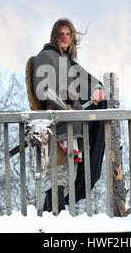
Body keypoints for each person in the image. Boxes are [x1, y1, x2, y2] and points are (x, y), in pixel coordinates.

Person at [32, 18, 107, 212]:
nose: (65, 38)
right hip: (54, 124)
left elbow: (89, 81)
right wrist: (63, 96)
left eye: (68, 34)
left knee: (71, 175)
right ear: (54, 36)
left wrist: (97, 89)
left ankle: (57, 216)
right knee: (58, 174)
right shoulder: (46, 57)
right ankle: (51, 220)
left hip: (72, 126)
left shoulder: (69, 63)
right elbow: (42, 91)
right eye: (61, 34)